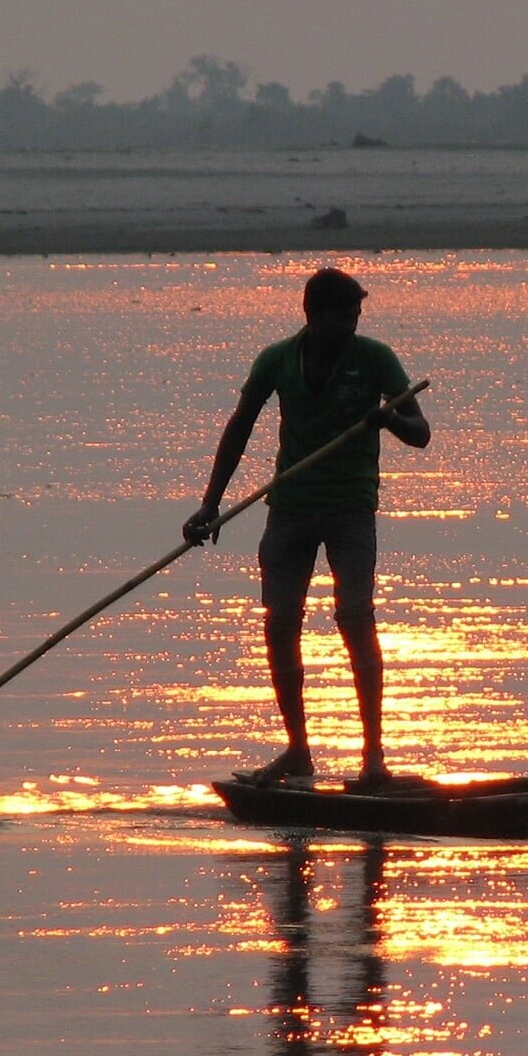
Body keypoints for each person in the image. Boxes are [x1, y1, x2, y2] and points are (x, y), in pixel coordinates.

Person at [183, 267, 430, 790]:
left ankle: (373, 761)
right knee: (279, 625)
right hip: (290, 508)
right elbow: (241, 425)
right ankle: (298, 751)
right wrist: (210, 504)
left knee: (355, 620)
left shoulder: (375, 358)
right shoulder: (276, 360)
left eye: (357, 316)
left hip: (351, 511)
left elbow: (421, 433)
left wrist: (387, 419)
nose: (351, 326)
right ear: (313, 317)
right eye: (342, 317)